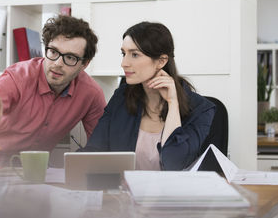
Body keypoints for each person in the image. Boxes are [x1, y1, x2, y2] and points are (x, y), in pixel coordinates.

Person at [84, 21, 216, 170]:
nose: (124, 63)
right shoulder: (121, 97)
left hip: (172, 192)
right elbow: (94, 150)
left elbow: (174, 163)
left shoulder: (201, 109)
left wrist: (173, 103)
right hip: (123, 191)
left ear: (161, 61)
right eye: (123, 53)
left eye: (134, 55)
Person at [0, 15, 106, 154]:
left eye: (70, 57)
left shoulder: (91, 93)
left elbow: (101, 145)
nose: (57, 64)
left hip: (36, 171)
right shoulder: (17, 77)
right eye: (53, 51)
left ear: (84, 64)